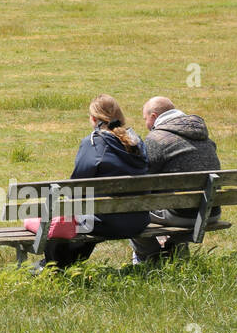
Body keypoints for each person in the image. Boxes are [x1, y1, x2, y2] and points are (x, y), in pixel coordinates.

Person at [39, 95, 151, 269]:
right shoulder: (136, 142)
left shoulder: (94, 142)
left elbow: (76, 186)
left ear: (93, 118)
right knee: (86, 213)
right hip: (139, 220)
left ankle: (55, 267)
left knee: (64, 217)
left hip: (105, 223)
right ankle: (65, 265)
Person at [131, 97, 222, 262]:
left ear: (153, 116)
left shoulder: (157, 139)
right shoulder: (205, 137)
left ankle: (150, 256)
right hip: (211, 211)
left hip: (181, 214)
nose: (146, 124)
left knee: (129, 208)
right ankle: (177, 248)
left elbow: (142, 180)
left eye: (145, 119)